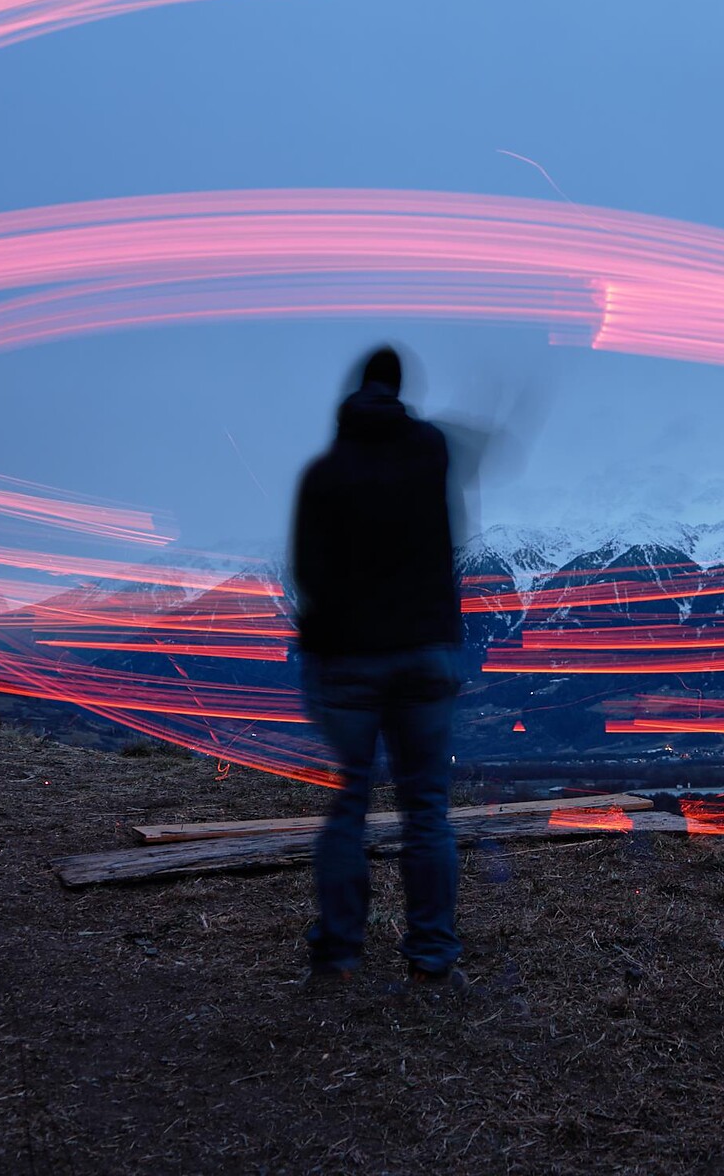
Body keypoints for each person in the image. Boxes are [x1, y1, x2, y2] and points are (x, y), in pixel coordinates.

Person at [291, 345, 466, 989]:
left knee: (349, 804)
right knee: (427, 808)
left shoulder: (323, 474)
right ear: (399, 389)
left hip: (347, 660)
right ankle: (432, 959)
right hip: (424, 653)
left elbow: (306, 573)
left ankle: (338, 955)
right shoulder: (429, 451)